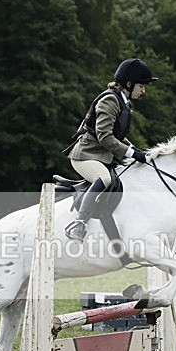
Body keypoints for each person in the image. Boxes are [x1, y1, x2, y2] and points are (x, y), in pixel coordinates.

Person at [62, 58, 157, 241]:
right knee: (104, 178)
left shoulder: (123, 103)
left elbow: (118, 136)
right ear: (129, 84)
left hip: (100, 156)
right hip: (85, 155)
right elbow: (105, 137)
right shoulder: (110, 101)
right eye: (141, 86)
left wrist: (136, 150)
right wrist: (131, 153)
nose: (143, 91)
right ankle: (79, 224)